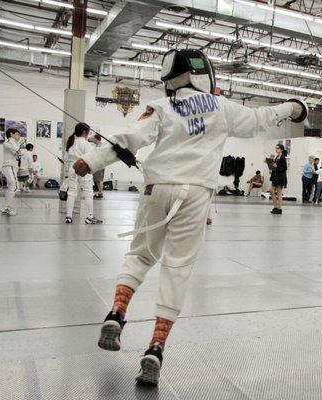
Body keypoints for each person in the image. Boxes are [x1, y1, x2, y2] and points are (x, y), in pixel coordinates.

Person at [72, 49, 306, 385]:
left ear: (171, 79)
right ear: (203, 74)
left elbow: (130, 139)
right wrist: (294, 108)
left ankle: (116, 312)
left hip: (157, 188)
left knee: (140, 255)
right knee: (177, 267)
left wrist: (92, 160)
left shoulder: (161, 106)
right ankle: (155, 347)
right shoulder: (222, 107)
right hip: (195, 194)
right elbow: (259, 119)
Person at [64, 123, 103, 225]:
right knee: (88, 193)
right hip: (84, 169)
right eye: (88, 132)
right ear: (85, 132)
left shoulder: (71, 143)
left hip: (72, 169)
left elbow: (66, 159)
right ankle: (90, 216)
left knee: (71, 192)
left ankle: (68, 216)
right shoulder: (86, 144)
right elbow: (91, 158)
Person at [0, 128, 21, 216]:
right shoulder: (8, 142)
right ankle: (6, 207)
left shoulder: (14, 143)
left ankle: (6, 207)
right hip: (9, 167)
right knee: (15, 186)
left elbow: (18, 154)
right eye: (17, 134)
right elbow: (17, 151)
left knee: (11, 187)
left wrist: (18, 151)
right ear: (11, 134)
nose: (19, 136)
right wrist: (18, 150)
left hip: (11, 167)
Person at [269, 144, 288, 214]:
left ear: (281, 150)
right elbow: (275, 166)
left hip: (280, 178)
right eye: (276, 148)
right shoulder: (277, 157)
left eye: (277, 148)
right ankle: (275, 207)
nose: (276, 149)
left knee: (279, 193)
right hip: (275, 177)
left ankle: (279, 209)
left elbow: (284, 168)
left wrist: (276, 166)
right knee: (271, 191)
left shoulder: (283, 158)